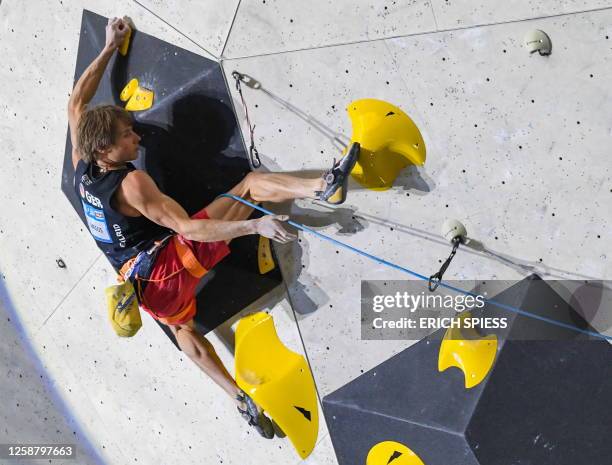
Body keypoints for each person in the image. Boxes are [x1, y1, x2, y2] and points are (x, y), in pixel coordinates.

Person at [67, 17, 359, 438]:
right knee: (251, 186)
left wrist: (111, 47)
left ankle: (238, 397)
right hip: (172, 264)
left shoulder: (83, 165)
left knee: (183, 329)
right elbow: (190, 229)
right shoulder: (133, 184)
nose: (137, 139)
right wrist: (254, 228)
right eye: (128, 136)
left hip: (145, 290)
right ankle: (325, 187)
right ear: (105, 150)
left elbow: (77, 103)